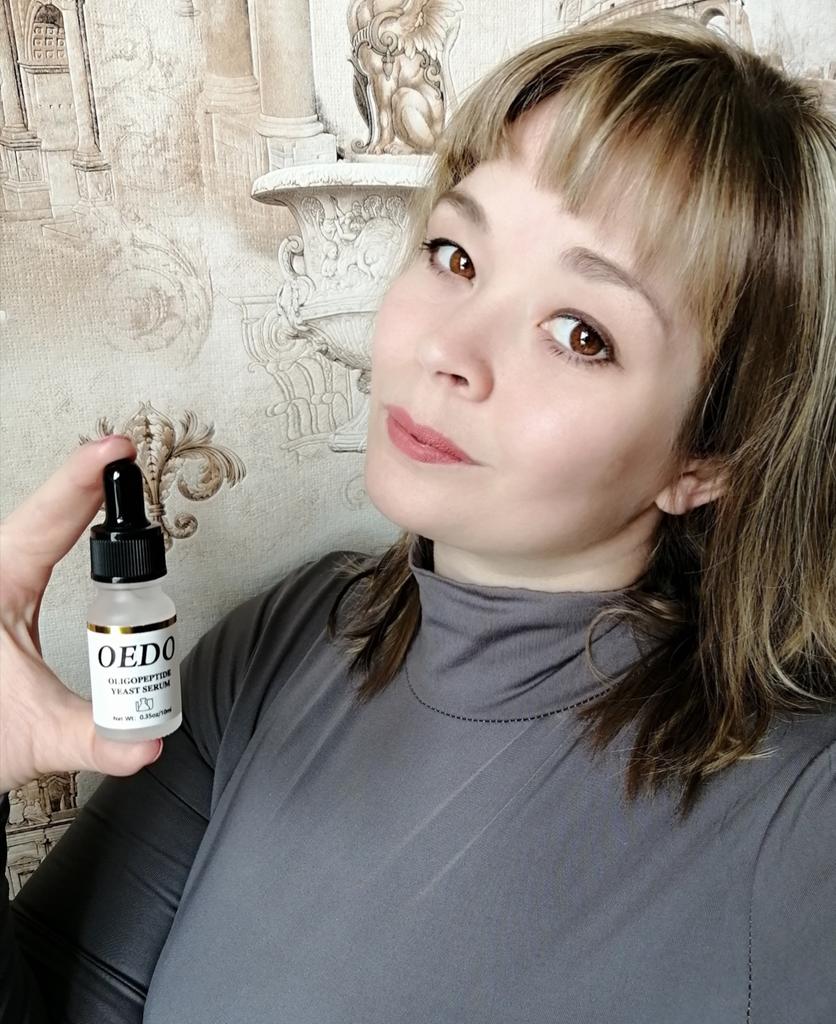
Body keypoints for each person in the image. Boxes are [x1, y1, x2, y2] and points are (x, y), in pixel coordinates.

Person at [2, 12, 835, 1023]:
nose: (448, 348)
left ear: (708, 458)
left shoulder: (805, 824)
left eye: (580, 333)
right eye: (455, 255)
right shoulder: (284, 642)